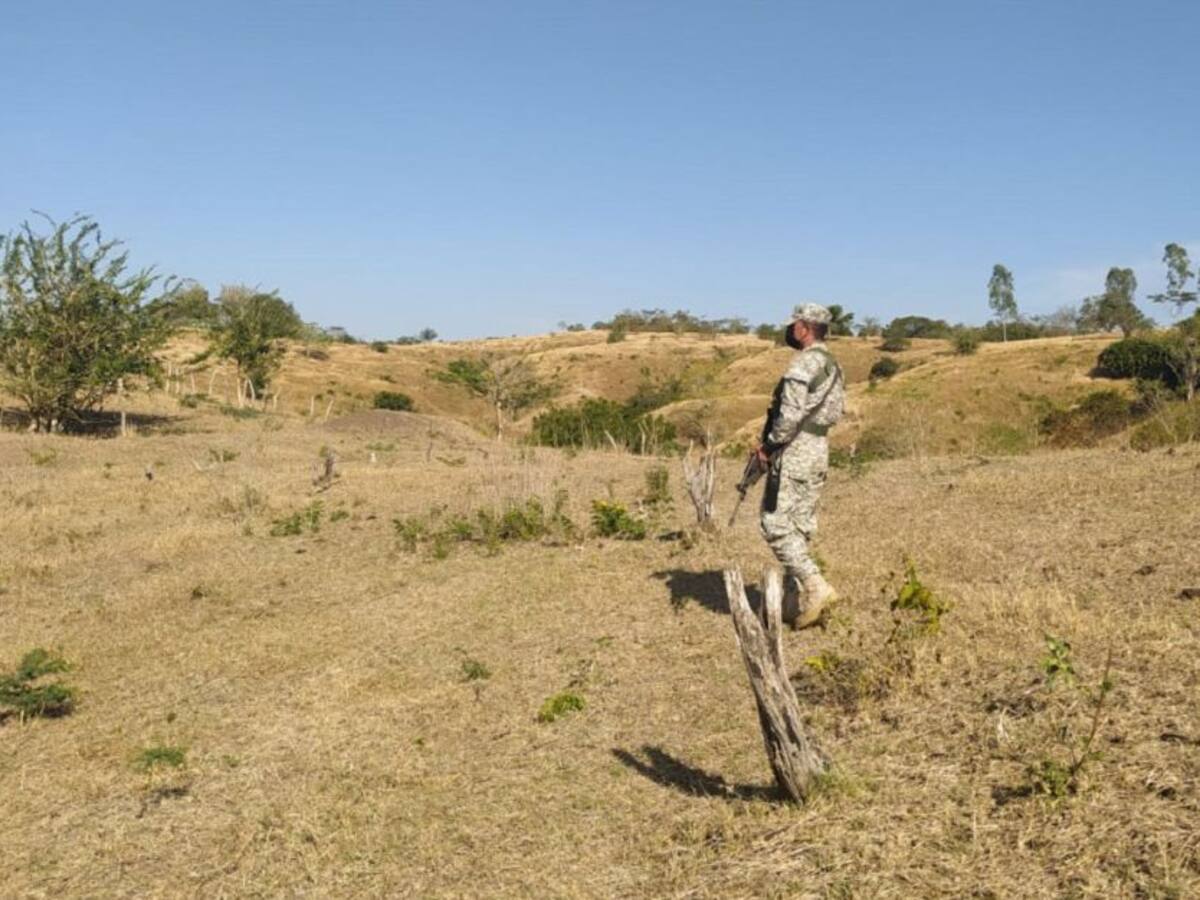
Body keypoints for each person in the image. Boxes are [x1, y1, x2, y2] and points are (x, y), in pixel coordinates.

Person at [756, 303, 846, 628]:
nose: (790, 330)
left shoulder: (803, 363)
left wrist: (769, 446)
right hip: (819, 449)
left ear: (804, 328)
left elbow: (789, 416)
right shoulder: (833, 365)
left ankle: (815, 585)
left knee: (774, 523)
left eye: (794, 324)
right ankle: (794, 601)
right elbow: (836, 411)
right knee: (799, 524)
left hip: (795, 450)